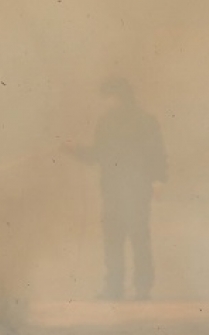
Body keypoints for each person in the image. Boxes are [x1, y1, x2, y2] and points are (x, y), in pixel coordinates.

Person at [66, 77, 167, 300]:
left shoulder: (144, 121)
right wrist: (75, 150)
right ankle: (117, 287)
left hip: (136, 189)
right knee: (116, 239)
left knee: (137, 237)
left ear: (120, 96)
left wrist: (158, 181)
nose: (106, 102)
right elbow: (98, 155)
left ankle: (140, 287)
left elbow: (157, 153)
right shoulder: (108, 122)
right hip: (114, 190)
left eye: (109, 97)